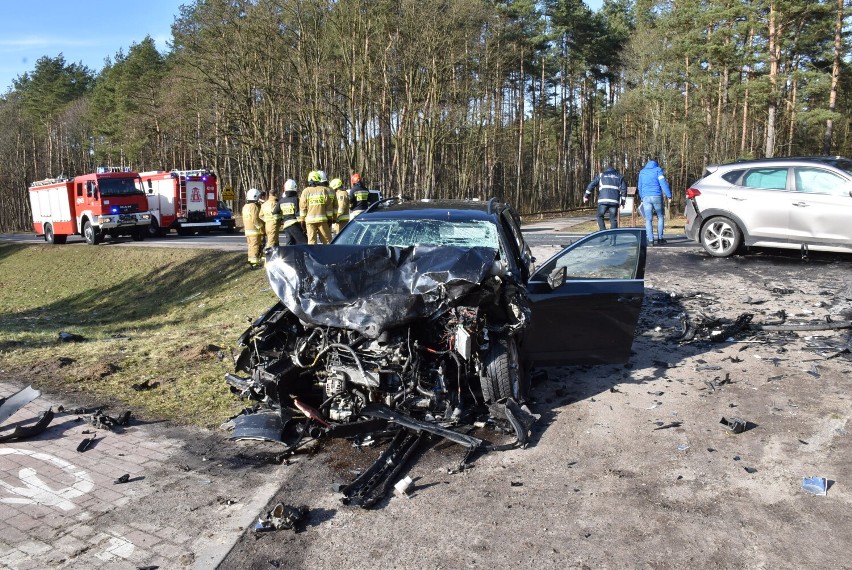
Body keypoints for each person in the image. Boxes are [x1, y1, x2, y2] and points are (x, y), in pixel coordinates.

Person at [637, 159, 672, 245]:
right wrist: (669, 195)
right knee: (660, 217)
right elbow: (662, 183)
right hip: (656, 196)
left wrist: (642, 197)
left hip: (646, 197)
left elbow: (639, 186)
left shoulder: (642, 172)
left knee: (648, 220)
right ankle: (660, 239)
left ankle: (651, 240)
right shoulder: (658, 170)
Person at [583, 165, 627, 230]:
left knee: (600, 216)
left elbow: (592, 184)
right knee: (613, 219)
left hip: (603, 200)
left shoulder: (601, 175)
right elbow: (624, 190)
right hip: (614, 201)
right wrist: (623, 202)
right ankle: (613, 236)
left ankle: (603, 232)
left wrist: (586, 195)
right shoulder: (619, 176)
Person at [299, 170, 335, 244]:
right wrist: (329, 218)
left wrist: (302, 220)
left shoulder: (305, 191)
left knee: (312, 242)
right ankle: (329, 255)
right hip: (322, 220)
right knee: (327, 241)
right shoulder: (323, 190)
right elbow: (328, 206)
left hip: (310, 221)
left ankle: (312, 256)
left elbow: (303, 207)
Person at [279, 179, 307, 245]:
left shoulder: (281, 201)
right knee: (303, 242)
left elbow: (275, 213)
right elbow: (298, 214)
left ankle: (290, 255)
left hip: (286, 225)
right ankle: (305, 255)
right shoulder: (295, 200)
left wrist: (281, 220)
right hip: (294, 224)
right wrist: (302, 226)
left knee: (290, 243)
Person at [241, 188, 264, 268]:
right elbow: (255, 219)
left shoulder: (245, 206)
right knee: (255, 246)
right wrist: (261, 228)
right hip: (254, 231)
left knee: (251, 246)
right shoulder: (253, 206)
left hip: (248, 231)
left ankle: (251, 261)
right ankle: (255, 264)